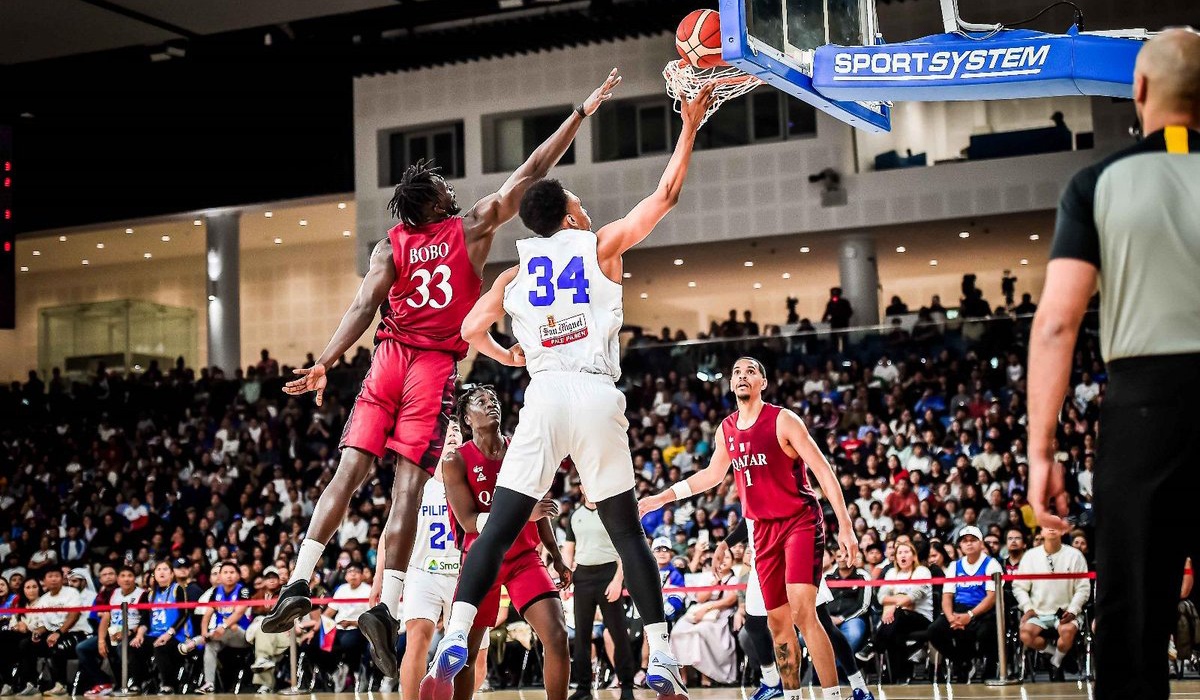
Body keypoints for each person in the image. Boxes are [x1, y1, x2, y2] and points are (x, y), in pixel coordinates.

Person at [259, 68, 623, 668]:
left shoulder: (390, 245)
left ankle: (300, 577)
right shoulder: (472, 225)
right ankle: (389, 603)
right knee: (406, 486)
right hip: (432, 369)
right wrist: (580, 114)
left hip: (386, 359)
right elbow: (533, 168)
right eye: (441, 190)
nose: (450, 192)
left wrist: (326, 362)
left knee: (348, 473)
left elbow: (362, 305)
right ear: (435, 204)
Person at [423, 84, 716, 700]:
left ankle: (454, 636)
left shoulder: (515, 271)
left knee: (496, 529)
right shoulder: (600, 244)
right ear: (570, 215)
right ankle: (660, 658)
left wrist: (511, 353)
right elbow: (665, 196)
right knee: (625, 529)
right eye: (578, 201)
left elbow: (469, 329)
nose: (584, 206)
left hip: (546, 395)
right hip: (595, 395)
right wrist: (688, 126)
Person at [1027, 27, 1200, 700]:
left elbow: (1058, 322)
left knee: (1132, 619)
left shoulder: (1096, 183)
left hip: (1146, 409)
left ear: (1140, 88)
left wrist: (1043, 451)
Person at [639, 357, 860, 700]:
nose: (742, 376)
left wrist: (845, 526)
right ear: (730, 384)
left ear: (763, 383)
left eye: (750, 371)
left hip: (800, 521)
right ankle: (792, 695)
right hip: (763, 532)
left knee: (804, 612)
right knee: (777, 624)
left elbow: (823, 471)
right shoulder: (726, 429)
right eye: (736, 373)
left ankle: (832, 695)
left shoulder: (784, 420)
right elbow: (711, 476)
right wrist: (663, 497)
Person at [433, 385, 571, 700]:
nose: (491, 404)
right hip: (481, 559)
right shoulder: (455, 459)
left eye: (494, 400)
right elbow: (469, 522)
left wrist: (555, 555)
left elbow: (540, 509)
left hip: (524, 557)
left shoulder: (520, 450)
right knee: (465, 655)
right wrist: (524, 514)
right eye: (481, 401)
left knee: (557, 635)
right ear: (467, 419)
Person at [368, 421, 488, 698]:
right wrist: (379, 578)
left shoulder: (476, 479)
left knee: (476, 655)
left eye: (457, 432)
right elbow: (391, 532)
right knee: (417, 640)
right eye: (447, 433)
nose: (452, 436)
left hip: (467, 575)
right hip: (424, 573)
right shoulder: (419, 482)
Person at [716, 519, 874, 700]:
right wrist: (725, 544)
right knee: (753, 625)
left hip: (793, 554)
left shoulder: (780, 494)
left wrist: (844, 526)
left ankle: (858, 688)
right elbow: (749, 521)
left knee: (823, 625)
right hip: (762, 560)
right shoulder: (748, 496)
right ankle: (772, 682)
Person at [563, 491, 636, 700]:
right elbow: (569, 551)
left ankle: (627, 686)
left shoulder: (612, 513)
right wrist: (566, 576)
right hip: (583, 577)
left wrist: (617, 580)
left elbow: (624, 550)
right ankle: (583, 688)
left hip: (608, 575)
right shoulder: (575, 515)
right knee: (582, 636)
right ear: (582, 489)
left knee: (618, 633)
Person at [1013, 527, 1090, 681]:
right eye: (1047, 525)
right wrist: (1028, 608)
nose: (1052, 529)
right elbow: (1019, 587)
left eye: (1056, 525)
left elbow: (1083, 588)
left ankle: (1056, 661)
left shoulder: (1075, 555)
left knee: (1067, 632)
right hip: (1038, 612)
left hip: (1066, 612)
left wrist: (1073, 610)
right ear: (1041, 532)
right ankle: (1057, 655)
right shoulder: (1030, 556)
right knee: (1026, 634)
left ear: (1062, 531)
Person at [927, 526, 1001, 682]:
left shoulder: (992, 565)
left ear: (981, 543)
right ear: (959, 545)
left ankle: (988, 666)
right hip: (958, 609)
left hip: (983, 610)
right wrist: (950, 617)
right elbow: (947, 596)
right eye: (965, 541)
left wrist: (970, 615)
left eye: (973, 540)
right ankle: (962, 662)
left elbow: (992, 597)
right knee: (934, 631)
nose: (969, 544)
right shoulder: (955, 566)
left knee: (986, 633)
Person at [854, 541, 932, 683]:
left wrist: (892, 605)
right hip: (899, 618)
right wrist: (894, 605)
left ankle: (873, 645)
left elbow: (913, 597)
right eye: (899, 553)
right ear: (895, 557)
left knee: (896, 617)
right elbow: (882, 597)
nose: (903, 555)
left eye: (906, 552)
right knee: (895, 632)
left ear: (914, 556)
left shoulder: (922, 571)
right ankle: (899, 678)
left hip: (921, 618)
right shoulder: (891, 573)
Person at [18, 569, 91, 697]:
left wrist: (58, 632)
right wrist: (38, 632)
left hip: (77, 633)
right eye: (50, 576)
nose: (53, 579)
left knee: (57, 644)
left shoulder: (71, 593)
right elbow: (43, 624)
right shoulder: (44, 599)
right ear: (45, 581)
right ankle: (31, 684)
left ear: (62, 579)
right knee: (26, 644)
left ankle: (60, 684)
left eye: (56, 576)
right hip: (53, 634)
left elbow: (74, 616)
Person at [198, 561, 252, 694]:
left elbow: (239, 613)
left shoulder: (243, 590)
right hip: (219, 636)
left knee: (231, 626)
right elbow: (206, 616)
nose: (229, 576)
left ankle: (194, 641)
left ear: (238, 576)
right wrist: (204, 633)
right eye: (225, 572)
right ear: (220, 576)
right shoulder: (216, 591)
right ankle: (209, 684)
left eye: (232, 572)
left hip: (241, 635)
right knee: (209, 645)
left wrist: (224, 626)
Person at [96, 566, 149, 692]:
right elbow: (106, 617)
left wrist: (128, 632)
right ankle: (114, 683)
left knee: (122, 646)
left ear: (134, 578)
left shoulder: (142, 594)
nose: (126, 579)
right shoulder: (114, 593)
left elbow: (145, 619)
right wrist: (101, 640)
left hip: (132, 632)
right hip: (113, 632)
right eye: (123, 576)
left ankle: (134, 681)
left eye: (130, 576)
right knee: (88, 648)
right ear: (118, 579)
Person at [146, 560, 192, 694]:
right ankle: (139, 682)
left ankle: (168, 685)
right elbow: (146, 619)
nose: (161, 572)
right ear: (154, 574)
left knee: (161, 646)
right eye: (158, 569)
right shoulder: (150, 594)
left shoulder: (177, 589)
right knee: (134, 645)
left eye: (165, 569)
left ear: (172, 574)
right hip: (155, 633)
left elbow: (184, 614)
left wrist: (169, 633)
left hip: (176, 635)